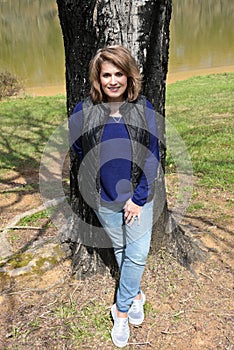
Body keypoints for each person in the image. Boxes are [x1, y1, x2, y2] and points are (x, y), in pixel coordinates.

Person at [69, 45, 160, 348]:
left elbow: (152, 156)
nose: (112, 80)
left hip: (138, 197)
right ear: (98, 78)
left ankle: (120, 312)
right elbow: (79, 149)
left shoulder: (143, 108)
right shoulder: (84, 110)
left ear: (129, 75)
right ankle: (134, 295)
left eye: (118, 73)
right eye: (106, 74)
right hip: (103, 197)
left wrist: (139, 197)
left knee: (136, 253)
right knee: (121, 249)